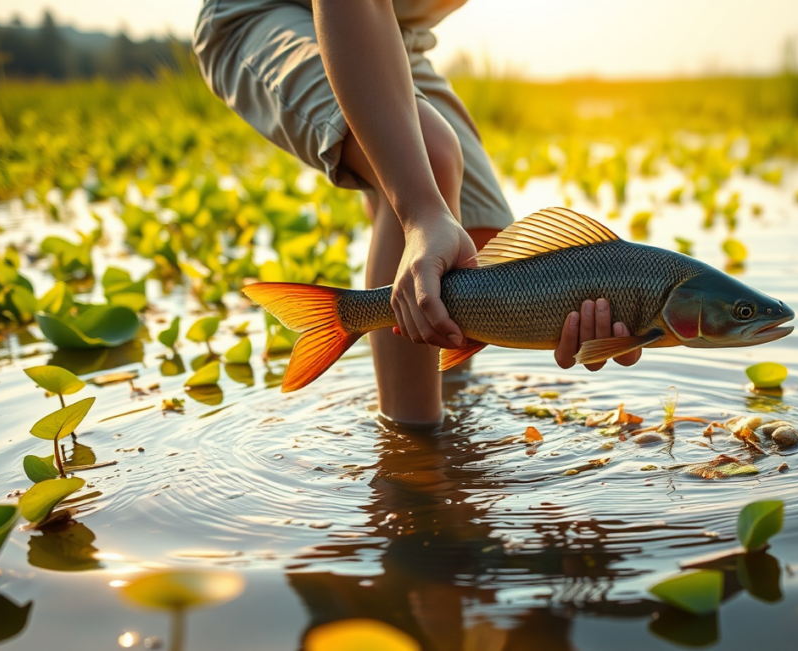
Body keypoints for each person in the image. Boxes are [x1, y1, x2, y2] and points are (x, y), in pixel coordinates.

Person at [194, 0, 639, 426]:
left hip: (403, 38)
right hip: (281, 11)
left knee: (479, 245)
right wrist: (420, 211)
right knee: (427, 162)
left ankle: (454, 415)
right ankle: (413, 468)